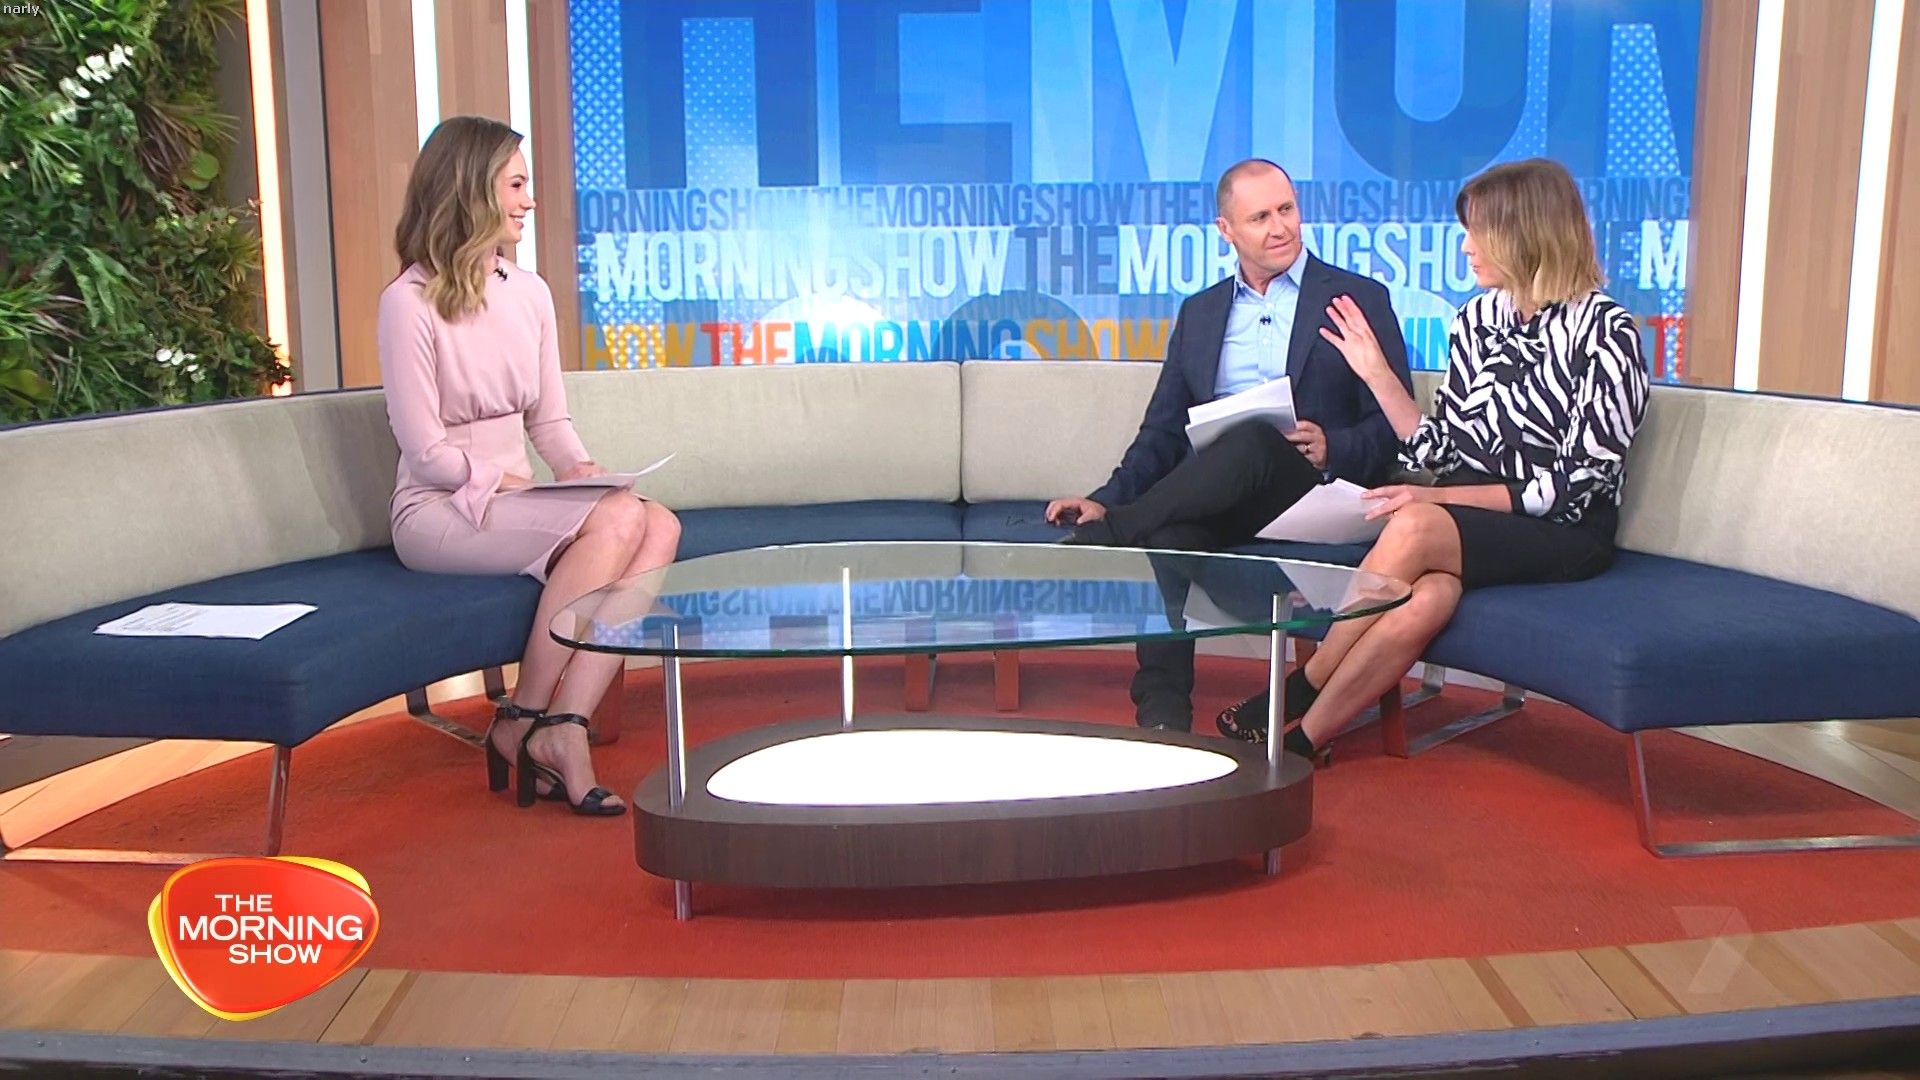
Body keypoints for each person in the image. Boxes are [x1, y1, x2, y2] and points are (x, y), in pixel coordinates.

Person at [1219, 157, 1650, 760]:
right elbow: (1439, 447)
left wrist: (1437, 497)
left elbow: (1579, 482)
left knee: (1417, 523)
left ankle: (1300, 687)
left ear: (1526, 234)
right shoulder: (1478, 319)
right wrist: (1377, 375)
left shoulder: (1605, 331)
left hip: (1564, 528)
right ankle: (1305, 743)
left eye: (1479, 231)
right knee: (1431, 597)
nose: (1466, 246)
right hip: (1473, 518)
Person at [378, 116, 680, 817]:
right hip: (439, 509)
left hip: (513, 499)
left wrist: (581, 470)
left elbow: (548, 421)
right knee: (616, 524)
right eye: (516, 185)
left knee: (657, 523)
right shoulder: (407, 302)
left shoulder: (530, 292)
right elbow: (424, 450)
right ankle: (522, 717)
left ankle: (565, 724)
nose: (529, 201)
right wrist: (511, 485)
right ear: (472, 191)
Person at [1047, 158, 1412, 736]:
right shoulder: (1201, 312)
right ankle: (1162, 717)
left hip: (1317, 492)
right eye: (1260, 217)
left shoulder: (1355, 298)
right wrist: (1105, 497)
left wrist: (1332, 446)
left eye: (1287, 209)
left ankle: (1116, 532)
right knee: (1169, 536)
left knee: (1256, 439)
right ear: (1226, 230)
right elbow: (1162, 432)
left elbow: (1396, 426)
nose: (1280, 227)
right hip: (1224, 497)